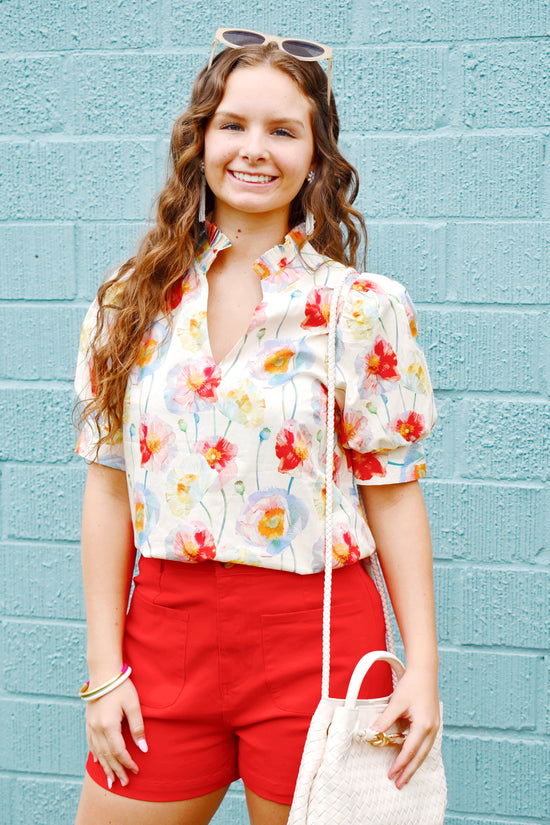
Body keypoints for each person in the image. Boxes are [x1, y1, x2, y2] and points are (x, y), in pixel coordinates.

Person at [73, 29, 440, 825]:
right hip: (161, 638)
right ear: (200, 139)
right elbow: (107, 489)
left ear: (317, 155)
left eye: (283, 130)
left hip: (318, 642)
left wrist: (424, 668)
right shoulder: (128, 299)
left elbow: (393, 492)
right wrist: (105, 670)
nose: (254, 149)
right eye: (233, 124)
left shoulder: (360, 306)